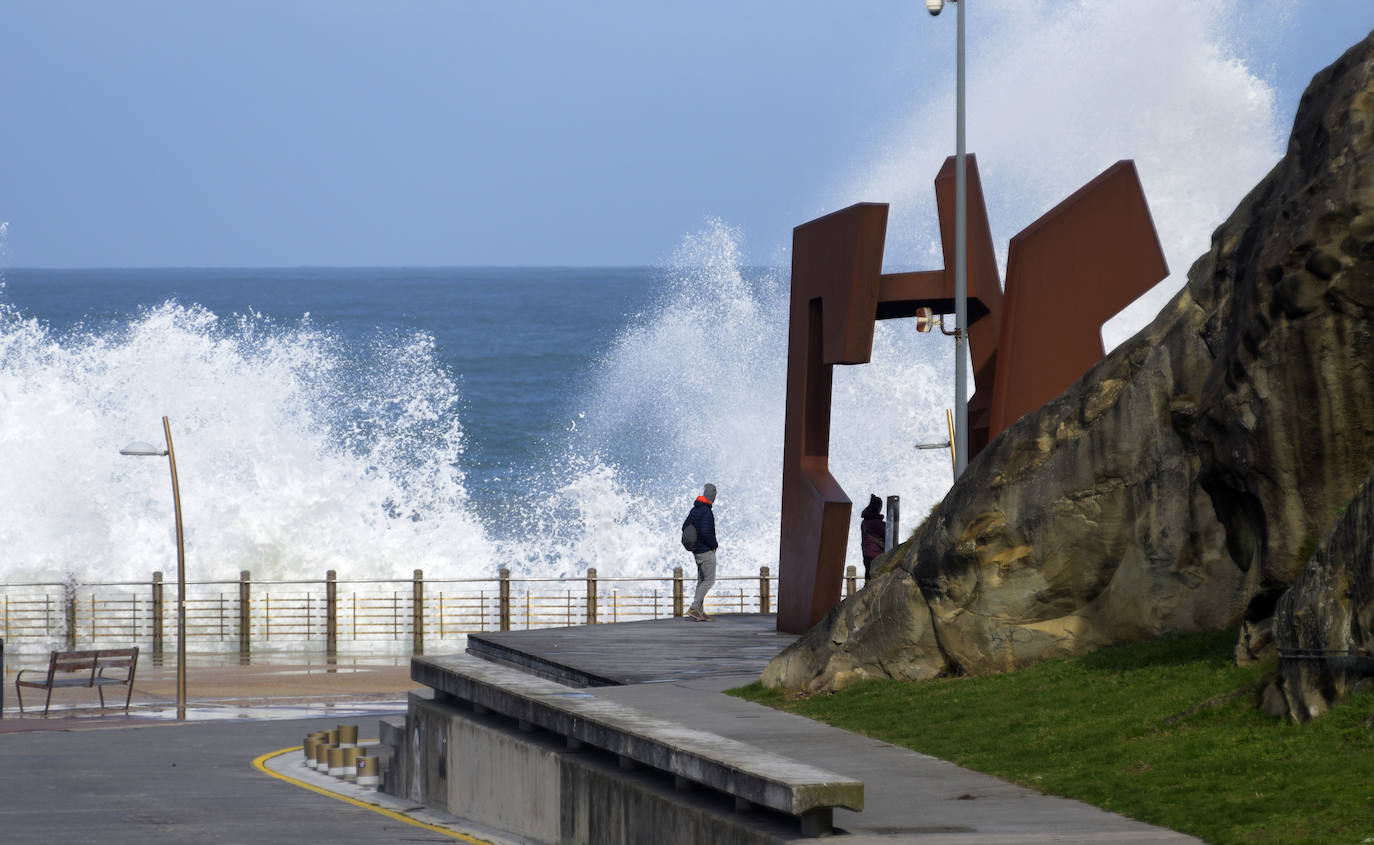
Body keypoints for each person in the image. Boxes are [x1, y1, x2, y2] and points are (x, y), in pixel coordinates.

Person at [684, 483, 719, 621]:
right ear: (713, 497)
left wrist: (695, 542)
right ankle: (694, 607)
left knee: (701, 580)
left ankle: (699, 612)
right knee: (709, 581)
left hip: (696, 550)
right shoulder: (707, 512)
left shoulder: (695, 510)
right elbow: (705, 532)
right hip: (705, 551)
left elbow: (685, 527)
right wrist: (714, 545)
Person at [860, 493, 887, 582]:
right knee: (875, 580)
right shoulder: (874, 523)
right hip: (875, 555)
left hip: (867, 555)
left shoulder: (865, 521)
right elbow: (887, 533)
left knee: (868, 578)